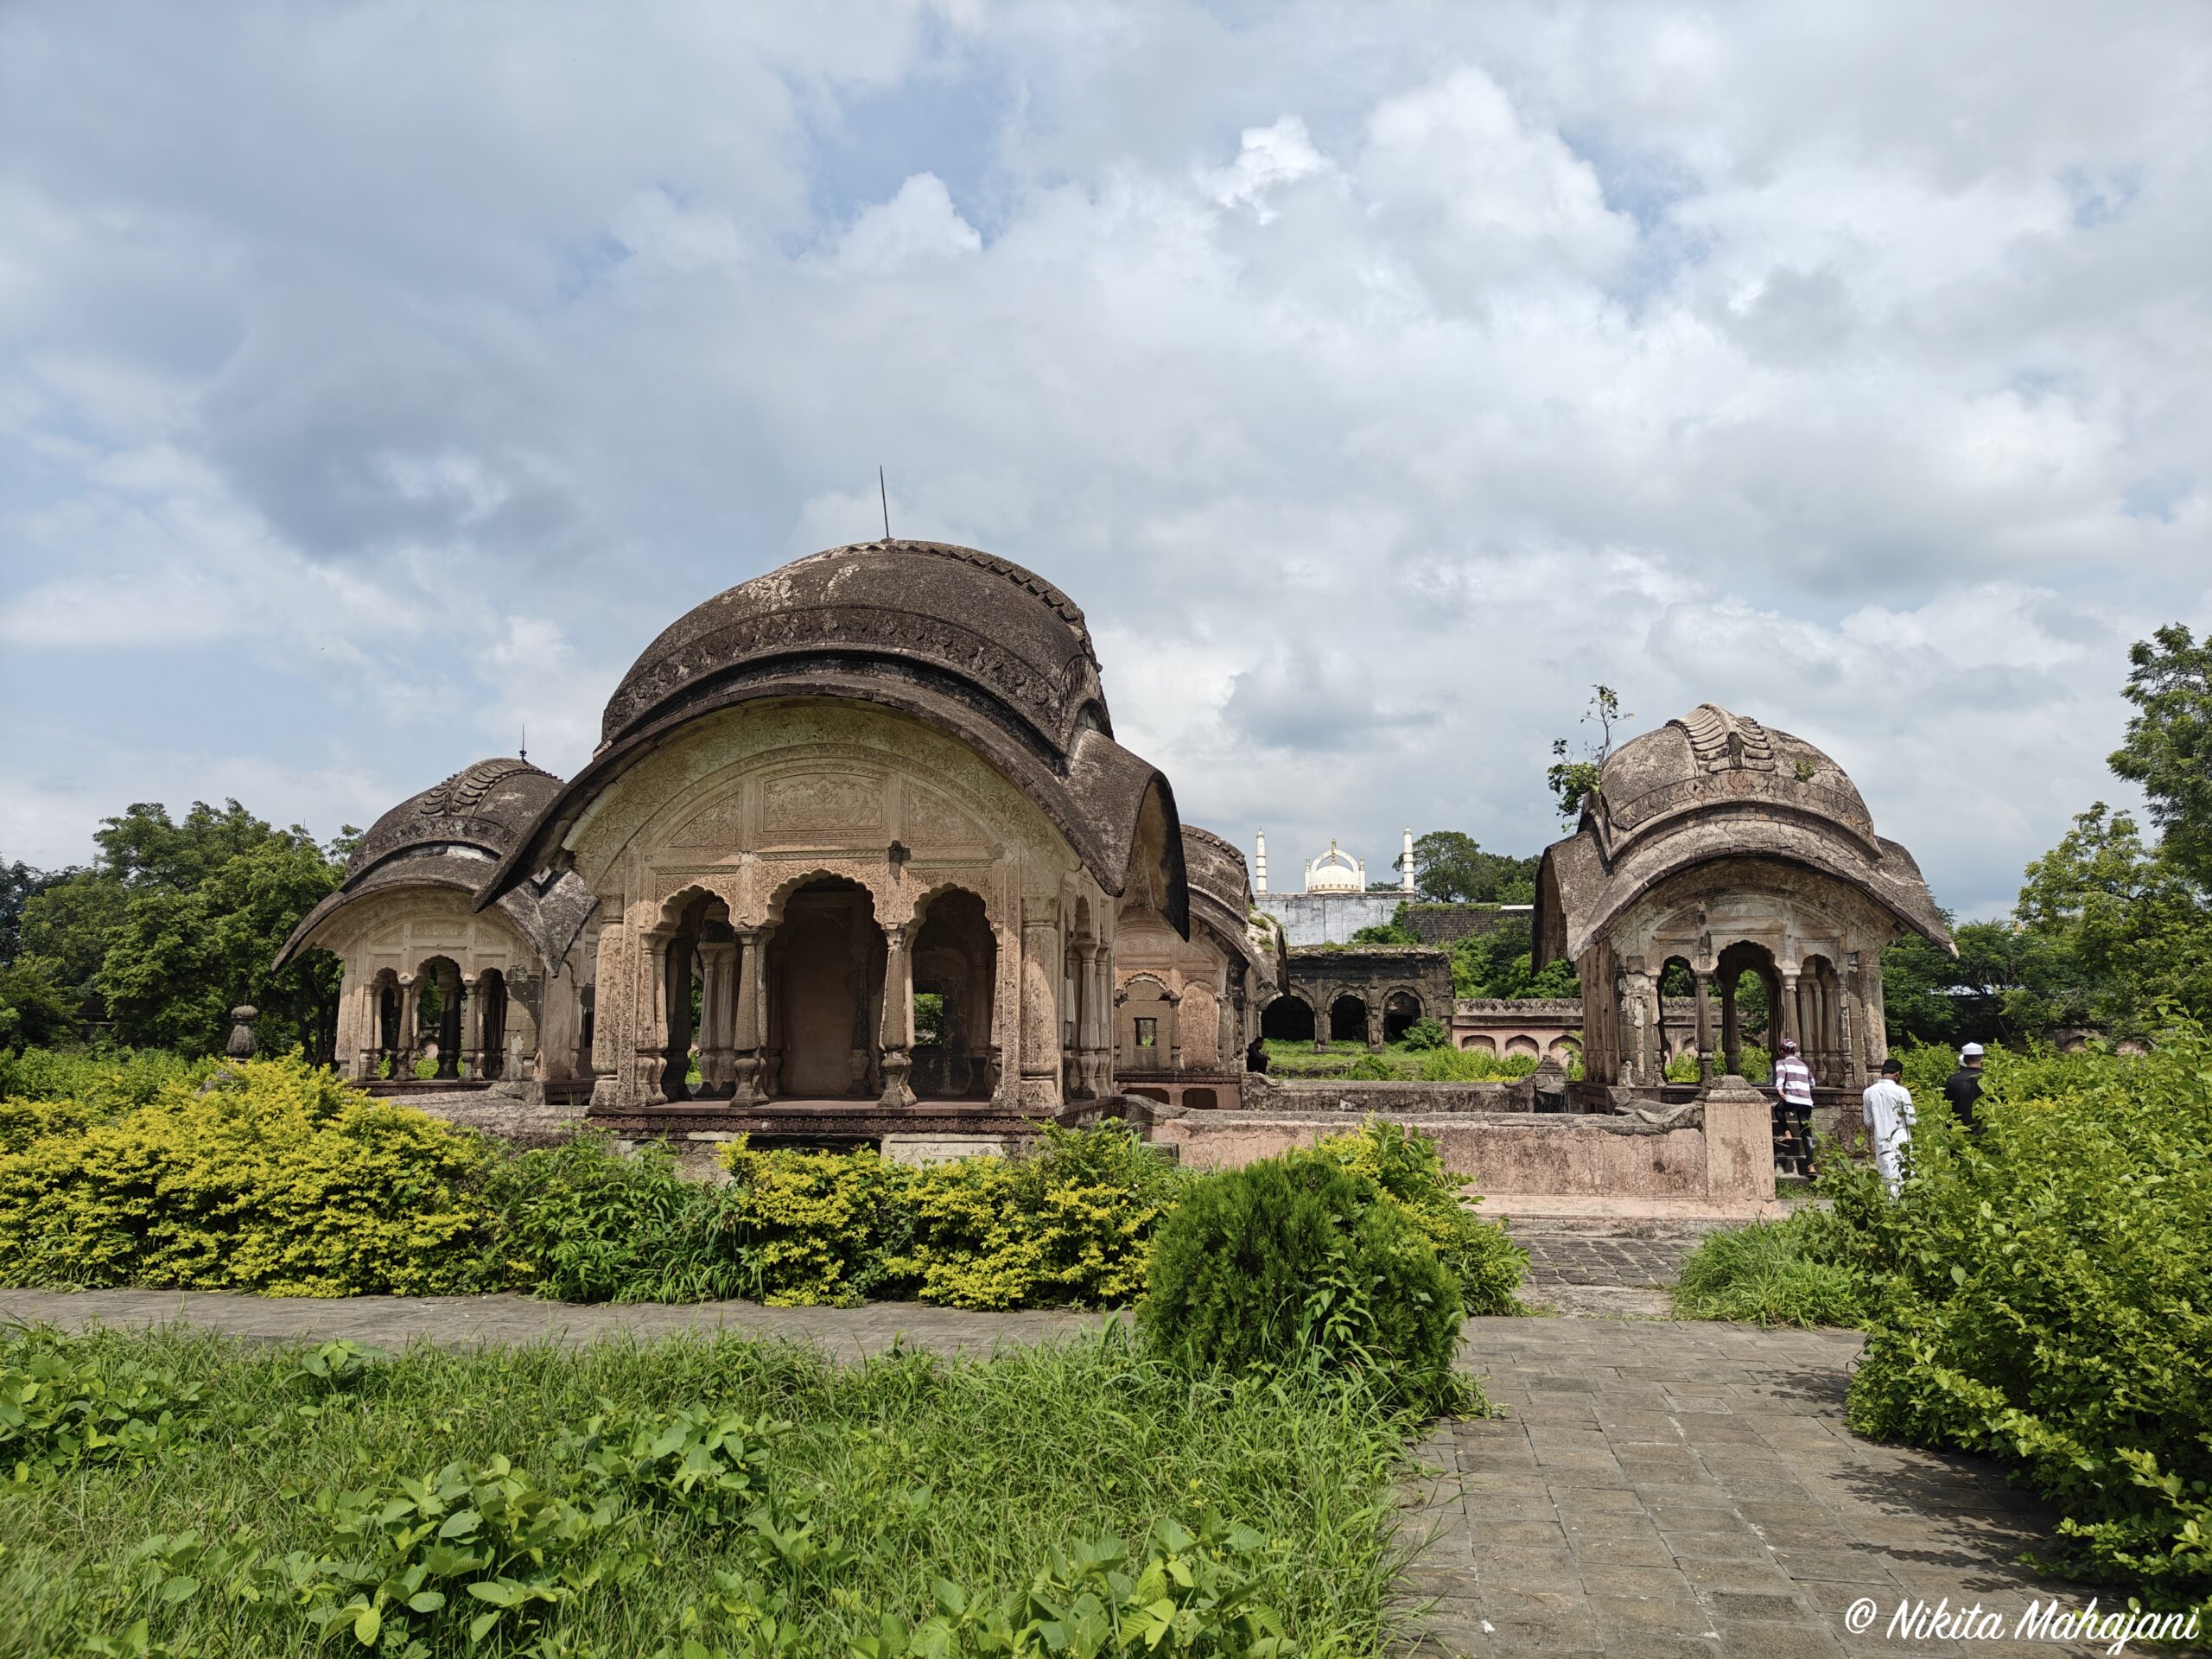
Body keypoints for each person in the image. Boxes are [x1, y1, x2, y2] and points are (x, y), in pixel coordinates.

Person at [1861, 1056, 1916, 1194]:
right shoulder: (1901, 1091)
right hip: (1900, 1141)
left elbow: (1868, 1122)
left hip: (1881, 1141)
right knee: (1902, 1179)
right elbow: (1911, 1120)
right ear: (1898, 1074)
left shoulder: (1868, 1092)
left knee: (1886, 1178)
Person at [1771, 1037, 1818, 1176]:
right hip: (1806, 1102)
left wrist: (1780, 1089)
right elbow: (1813, 1082)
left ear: (1781, 1051)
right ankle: (1811, 1167)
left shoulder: (1781, 1062)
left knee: (1778, 1109)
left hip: (1791, 1098)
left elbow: (1780, 1076)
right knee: (1806, 1134)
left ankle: (1787, 1132)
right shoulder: (1803, 1065)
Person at [1944, 1042, 1987, 1136]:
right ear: (1982, 1059)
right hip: (1985, 1132)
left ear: (1964, 1060)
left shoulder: (1953, 1080)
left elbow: (1946, 1107)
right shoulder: (1991, 1080)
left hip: (1958, 1131)